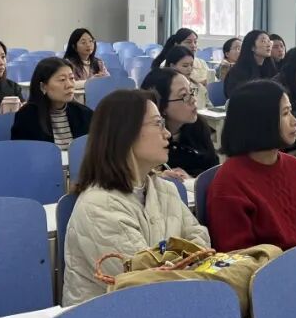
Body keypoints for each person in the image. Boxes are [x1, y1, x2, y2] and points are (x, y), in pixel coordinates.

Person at [62, 90, 210, 306]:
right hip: (109, 316)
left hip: (166, 304)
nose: (167, 133)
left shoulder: (165, 189)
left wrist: (180, 263)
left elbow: (199, 240)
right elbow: (144, 280)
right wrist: (185, 262)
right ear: (126, 134)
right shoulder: (99, 206)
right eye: (158, 123)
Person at [206, 80, 296, 251]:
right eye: (285, 114)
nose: (295, 121)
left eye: (291, 112)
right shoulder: (229, 184)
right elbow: (241, 256)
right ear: (261, 121)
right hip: (270, 266)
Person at [141, 68, 218, 178]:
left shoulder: (199, 125)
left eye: (191, 91)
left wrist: (191, 178)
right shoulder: (149, 137)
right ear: (161, 106)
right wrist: (158, 177)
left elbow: (214, 169)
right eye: (184, 95)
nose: (193, 100)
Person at [11, 57, 93, 150]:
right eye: (62, 80)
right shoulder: (26, 117)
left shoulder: (84, 113)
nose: (69, 85)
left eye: (71, 78)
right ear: (43, 86)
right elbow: (22, 153)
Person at [223, 30, 276, 98]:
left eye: (269, 41)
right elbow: (236, 96)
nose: (268, 45)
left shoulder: (271, 68)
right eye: (263, 41)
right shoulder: (238, 72)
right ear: (252, 47)